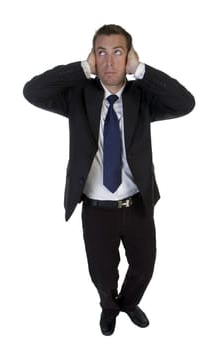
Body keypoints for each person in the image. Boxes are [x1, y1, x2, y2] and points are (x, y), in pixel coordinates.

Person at [23, 24, 195, 336]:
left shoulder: (142, 98)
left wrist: (141, 71)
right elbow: (32, 91)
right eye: (101, 53)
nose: (109, 62)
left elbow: (185, 103)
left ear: (129, 57)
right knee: (102, 275)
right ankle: (108, 307)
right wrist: (82, 69)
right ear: (93, 57)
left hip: (137, 204)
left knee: (143, 267)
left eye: (118, 52)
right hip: (96, 208)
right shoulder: (78, 96)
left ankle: (128, 303)